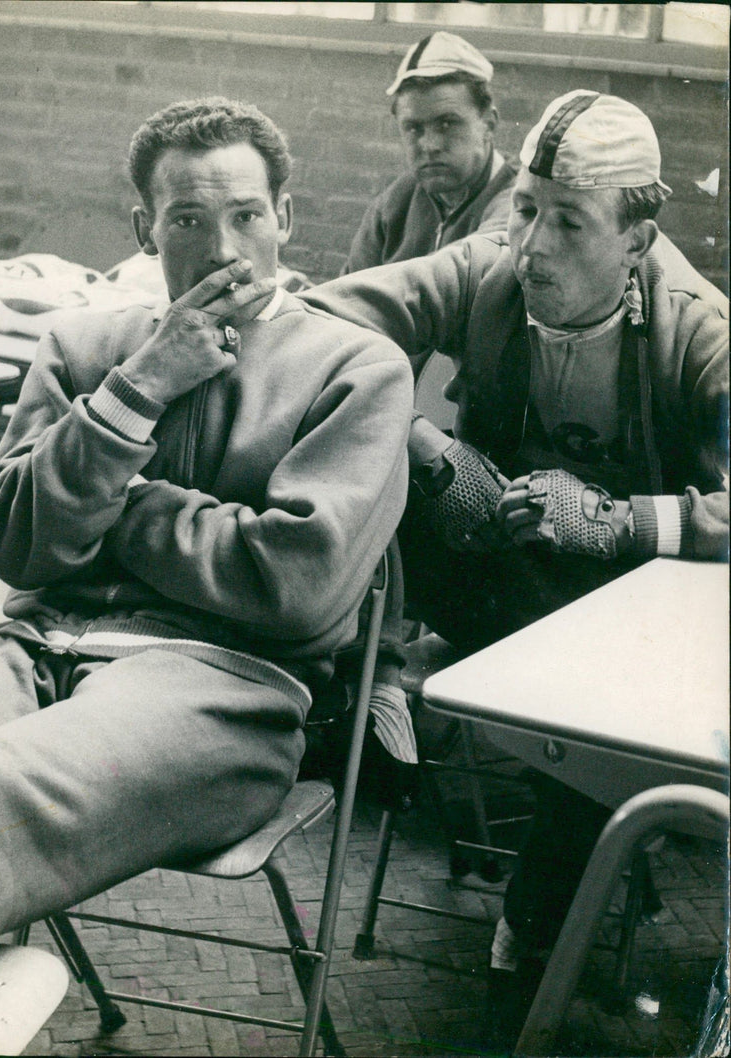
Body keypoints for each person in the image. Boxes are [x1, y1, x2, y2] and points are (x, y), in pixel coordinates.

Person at [0, 97, 414, 960]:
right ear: (146, 229)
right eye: (188, 218)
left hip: (222, 694)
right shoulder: (83, 347)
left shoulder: (356, 367)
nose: (224, 249)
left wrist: (113, 494)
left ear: (285, 219)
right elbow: (17, 549)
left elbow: (295, 589)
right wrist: (138, 388)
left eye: (246, 216)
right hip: (33, 649)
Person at [304, 89, 728, 1046]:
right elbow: (320, 317)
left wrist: (621, 523)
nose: (531, 244)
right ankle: (368, 684)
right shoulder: (490, 265)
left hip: (632, 631)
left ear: (637, 237)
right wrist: (423, 445)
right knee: (373, 475)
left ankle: (532, 927)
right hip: (496, 574)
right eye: (525, 210)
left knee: (592, 707)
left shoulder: (702, 332)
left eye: (567, 221)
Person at [343, 30, 517, 276]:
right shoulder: (393, 205)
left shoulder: (521, 203)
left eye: (447, 124)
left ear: (488, 123)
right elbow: (346, 296)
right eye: (414, 128)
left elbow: (458, 275)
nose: (429, 145)